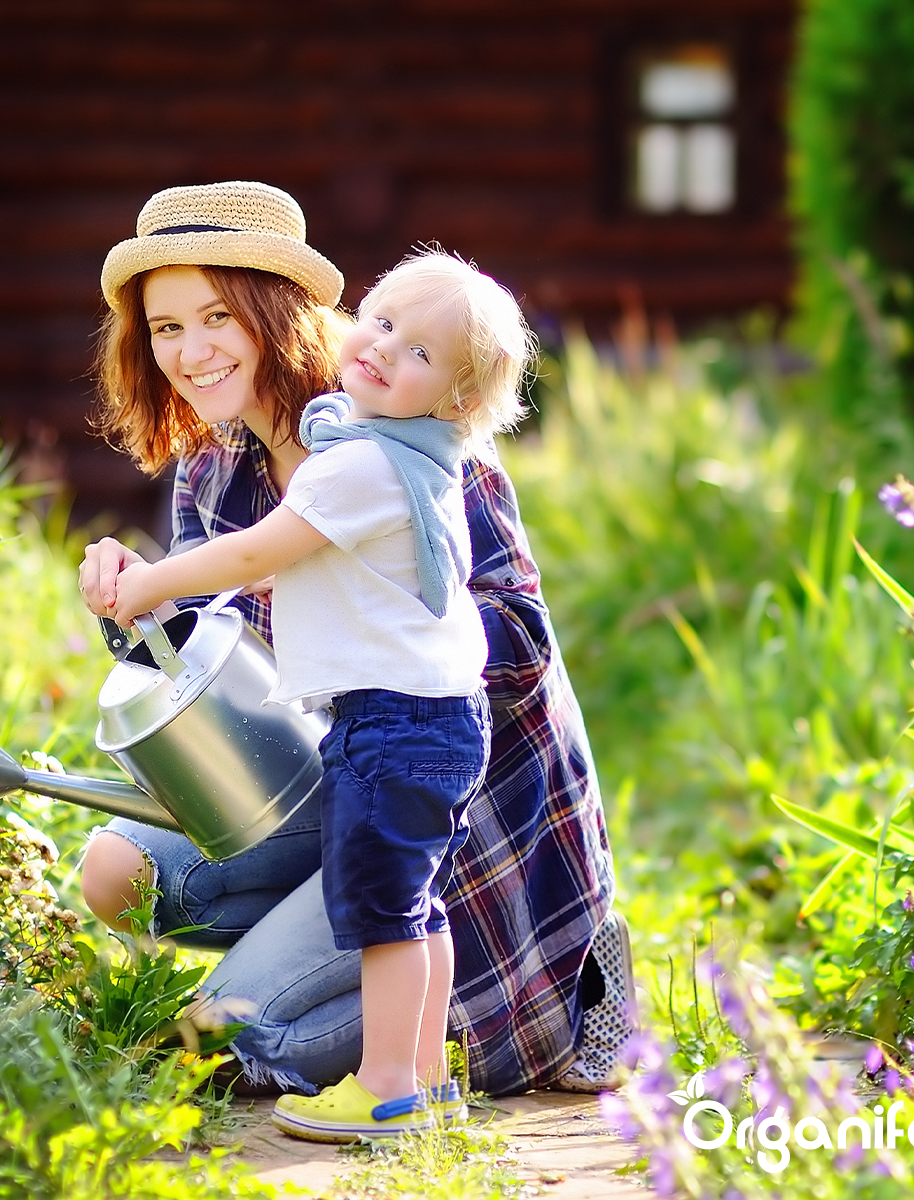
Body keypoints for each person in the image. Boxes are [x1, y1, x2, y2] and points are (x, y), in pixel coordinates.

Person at [77, 181, 628, 1106]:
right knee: (116, 873)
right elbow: (207, 670)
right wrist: (131, 601)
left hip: (445, 806)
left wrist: (327, 581)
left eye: (217, 317)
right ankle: (303, 964)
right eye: (166, 328)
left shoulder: (408, 421)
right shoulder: (215, 465)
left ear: (276, 310)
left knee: (225, 1040)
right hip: (327, 777)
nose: (192, 352)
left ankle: (525, 995)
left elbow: (522, 642)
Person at [106, 251, 531, 1140]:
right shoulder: (378, 443)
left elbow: (257, 552)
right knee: (407, 908)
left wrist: (154, 581)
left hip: (406, 732)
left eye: (217, 317)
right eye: (381, 323)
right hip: (410, 728)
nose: (382, 350)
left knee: (379, 917)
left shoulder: (365, 456)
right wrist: (142, 598)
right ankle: (419, 1079)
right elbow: (234, 626)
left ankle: (387, 1086)